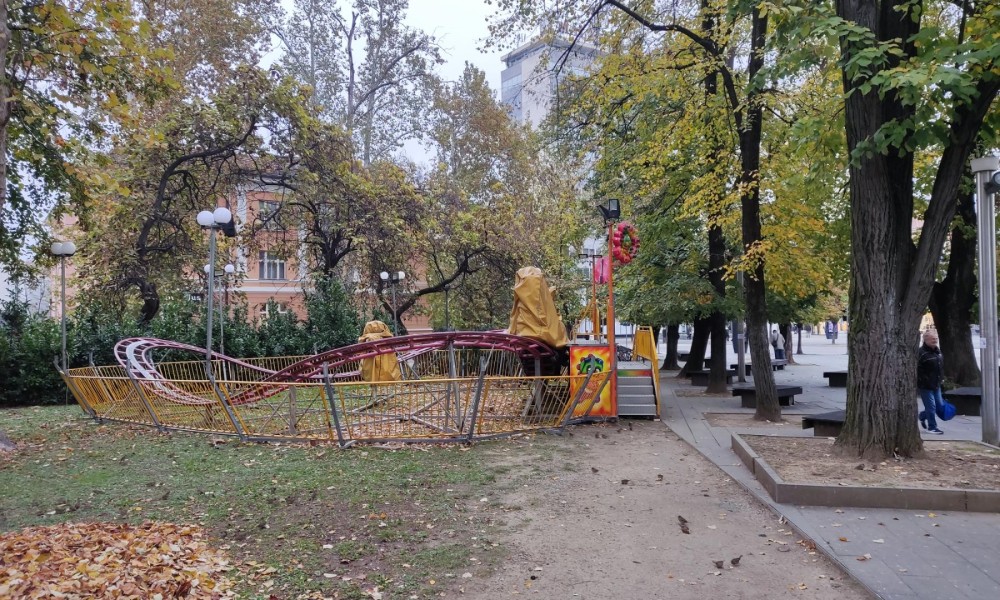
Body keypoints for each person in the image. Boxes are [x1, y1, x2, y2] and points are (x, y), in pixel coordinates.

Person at [917, 330, 945, 434]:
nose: (935, 340)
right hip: (925, 385)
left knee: (939, 405)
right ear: (926, 340)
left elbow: (940, 366)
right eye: (932, 339)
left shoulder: (938, 351)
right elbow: (918, 369)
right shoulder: (921, 353)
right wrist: (923, 380)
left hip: (936, 384)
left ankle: (922, 416)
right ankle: (932, 427)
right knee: (931, 406)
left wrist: (941, 378)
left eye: (936, 338)